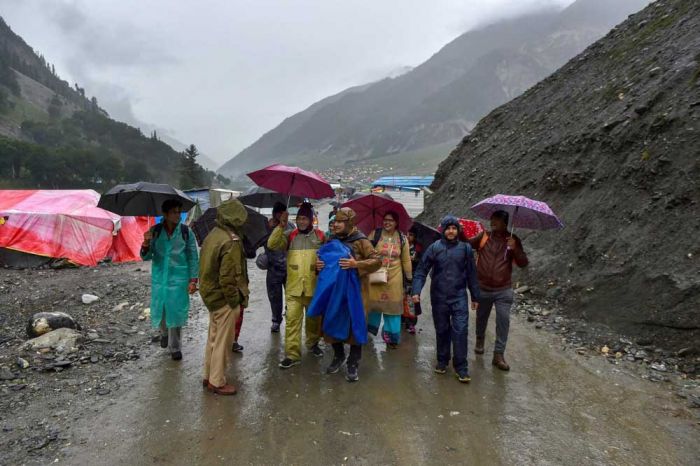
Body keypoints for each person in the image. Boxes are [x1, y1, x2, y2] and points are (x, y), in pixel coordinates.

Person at [412, 215, 480, 383]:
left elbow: (472, 274)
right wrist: (416, 290)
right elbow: (421, 270)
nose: (451, 231)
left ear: (458, 231)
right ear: (443, 230)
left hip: (459, 297)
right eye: (448, 228)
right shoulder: (434, 248)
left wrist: (475, 296)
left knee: (461, 331)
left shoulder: (465, 249)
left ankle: (461, 368)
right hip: (439, 297)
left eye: (454, 228)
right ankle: (442, 361)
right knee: (442, 330)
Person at [316, 207, 381, 382]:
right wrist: (317, 266)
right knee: (331, 322)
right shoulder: (331, 239)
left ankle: (353, 362)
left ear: (349, 223)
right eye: (334, 221)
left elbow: (377, 261)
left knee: (355, 326)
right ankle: (338, 356)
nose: (335, 224)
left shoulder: (361, 241)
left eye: (339, 221)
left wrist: (356, 264)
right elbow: (322, 259)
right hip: (335, 291)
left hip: (357, 292)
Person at [198, 199, 250, 395]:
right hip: (223, 299)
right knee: (223, 342)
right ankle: (217, 381)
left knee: (212, 337)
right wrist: (234, 301)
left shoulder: (213, 234)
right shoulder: (231, 241)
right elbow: (228, 277)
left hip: (210, 295)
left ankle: (208, 375)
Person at [267, 202, 326, 369]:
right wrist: (280, 225)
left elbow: (328, 256)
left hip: (313, 287)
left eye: (304, 218)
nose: (301, 222)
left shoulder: (321, 236)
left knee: (313, 320)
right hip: (293, 288)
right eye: (299, 218)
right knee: (292, 321)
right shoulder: (289, 235)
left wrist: (323, 264)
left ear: (311, 219)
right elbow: (271, 244)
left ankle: (312, 344)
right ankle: (292, 355)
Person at [468, 210, 528, 371]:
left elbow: (523, 263)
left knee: (503, 320)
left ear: (505, 222)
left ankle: (498, 355)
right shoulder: (484, 236)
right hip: (483, 288)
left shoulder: (513, 240)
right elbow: (467, 245)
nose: (493, 222)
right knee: (481, 317)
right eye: (492, 218)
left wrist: (515, 248)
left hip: (503, 290)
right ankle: (480, 340)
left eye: (497, 219)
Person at [141, 199, 199, 361]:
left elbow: (193, 257)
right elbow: (146, 256)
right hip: (160, 278)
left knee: (176, 312)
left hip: (179, 278)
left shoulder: (186, 233)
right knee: (161, 309)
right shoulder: (156, 231)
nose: (177, 215)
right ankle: (164, 333)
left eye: (179, 212)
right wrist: (146, 243)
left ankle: (175, 347)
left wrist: (193, 280)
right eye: (174, 212)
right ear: (165, 214)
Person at [367, 211, 412, 348]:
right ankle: (369, 331)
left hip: (394, 278)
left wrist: (409, 280)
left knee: (392, 308)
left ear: (396, 222)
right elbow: (366, 252)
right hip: (376, 276)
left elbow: (406, 260)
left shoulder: (403, 238)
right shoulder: (375, 234)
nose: (387, 222)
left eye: (391, 220)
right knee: (374, 304)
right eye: (385, 219)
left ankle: (391, 338)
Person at [265, 201, 289, 333]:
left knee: (291, 296)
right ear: (274, 213)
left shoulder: (289, 225)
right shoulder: (267, 226)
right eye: (278, 213)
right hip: (273, 269)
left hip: (288, 268)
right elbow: (265, 244)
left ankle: (290, 315)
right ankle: (276, 320)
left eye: (282, 212)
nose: (280, 215)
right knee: (274, 297)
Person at [403, 229, 423, 334]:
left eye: (411, 235)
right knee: (402, 299)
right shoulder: (401, 246)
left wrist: (414, 259)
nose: (408, 236)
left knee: (411, 301)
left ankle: (411, 324)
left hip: (413, 278)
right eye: (407, 234)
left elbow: (422, 263)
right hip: (402, 277)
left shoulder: (418, 248)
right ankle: (403, 320)